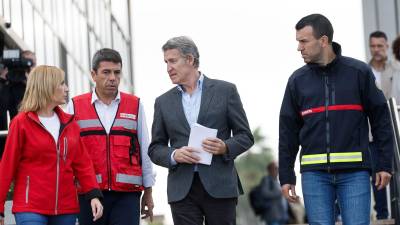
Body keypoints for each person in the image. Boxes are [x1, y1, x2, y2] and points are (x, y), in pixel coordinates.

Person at [279, 14, 393, 225]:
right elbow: (287, 132)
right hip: (314, 177)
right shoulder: (297, 81)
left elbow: (381, 120)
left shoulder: (358, 73)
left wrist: (385, 164)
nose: (299, 47)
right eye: (298, 42)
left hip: (355, 174)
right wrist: (286, 176)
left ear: (323, 41)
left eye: (303, 41)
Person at [148, 36, 254, 225]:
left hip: (220, 186)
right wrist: (174, 155)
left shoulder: (226, 91)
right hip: (182, 190)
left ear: (190, 60)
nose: (168, 68)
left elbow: (245, 136)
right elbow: (155, 148)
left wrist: (225, 147)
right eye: (166, 62)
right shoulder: (163, 102)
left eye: (173, 61)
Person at [0, 65, 103, 225]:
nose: (67, 88)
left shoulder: (70, 124)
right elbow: (7, 167)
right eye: (62, 83)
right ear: (47, 86)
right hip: (30, 208)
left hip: (65, 208)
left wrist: (94, 195)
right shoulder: (20, 123)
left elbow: (83, 164)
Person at [66, 48, 155, 225]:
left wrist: (149, 192)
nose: (113, 78)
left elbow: (145, 149)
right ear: (93, 74)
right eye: (106, 72)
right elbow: (69, 154)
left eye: (117, 72)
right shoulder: (75, 106)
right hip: (88, 194)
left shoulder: (135, 105)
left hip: (127, 195)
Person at [368, 30, 392, 220]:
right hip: (372, 135)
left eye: (380, 46)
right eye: (373, 46)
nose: (376, 50)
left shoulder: (397, 71)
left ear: (387, 46)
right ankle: (383, 216)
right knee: (377, 175)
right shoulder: (363, 72)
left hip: (396, 132)